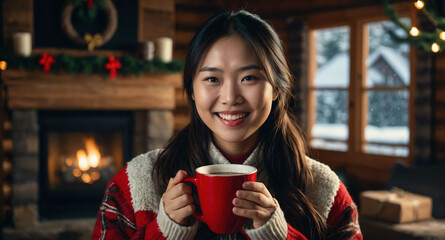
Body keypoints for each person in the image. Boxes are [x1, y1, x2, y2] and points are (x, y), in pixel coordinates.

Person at [92, 10, 362, 240]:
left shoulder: (326, 190)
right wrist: (166, 231)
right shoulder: (135, 183)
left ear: (277, 89)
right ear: (192, 90)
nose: (230, 97)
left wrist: (278, 234)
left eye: (249, 78)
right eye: (212, 79)